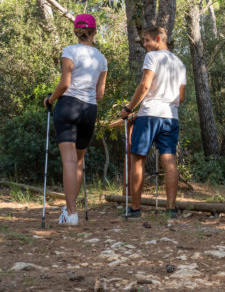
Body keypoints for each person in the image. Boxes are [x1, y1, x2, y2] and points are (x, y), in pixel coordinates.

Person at [44, 14, 108, 225]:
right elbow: (100, 94)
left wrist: (50, 100)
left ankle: (71, 213)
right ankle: (71, 209)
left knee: (68, 160)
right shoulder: (102, 59)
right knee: (79, 160)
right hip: (89, 109)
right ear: (94, 31)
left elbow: (64, 84)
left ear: (75, 31)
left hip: (68, 106)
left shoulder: (69, 51)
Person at [120, 26, 186, 219]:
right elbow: (181, 96)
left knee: (138, 158)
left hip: (149, 113)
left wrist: (129, 108)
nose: (145, 45)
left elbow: (145, 85)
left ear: (158, 38)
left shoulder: (152, 58)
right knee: (170, 160)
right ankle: (171, 209)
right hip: (171, 116)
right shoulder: (180, 63)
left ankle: (135, 208)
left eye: (147, 40)